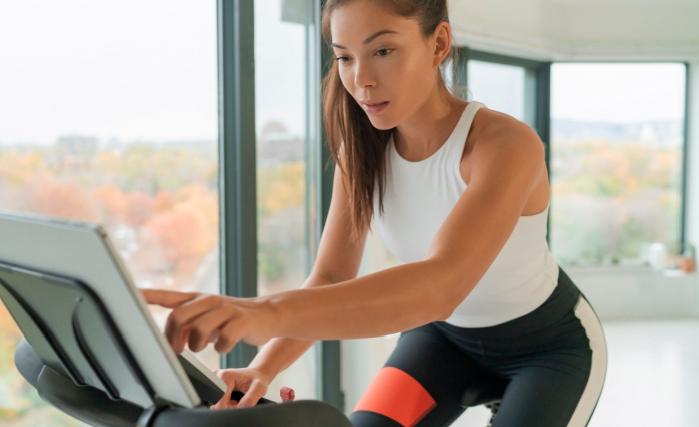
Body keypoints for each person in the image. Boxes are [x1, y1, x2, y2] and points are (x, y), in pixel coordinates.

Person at [141, 0, 607, 425]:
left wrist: (265, 313)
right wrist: (263, 366)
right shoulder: (361, 150)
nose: (361, 78)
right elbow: (331, 277)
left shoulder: (505, 145)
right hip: (442, 341)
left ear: (438, 43)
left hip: (547, 350)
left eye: (382, 50)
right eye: (344, 56)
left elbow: (442, 284)